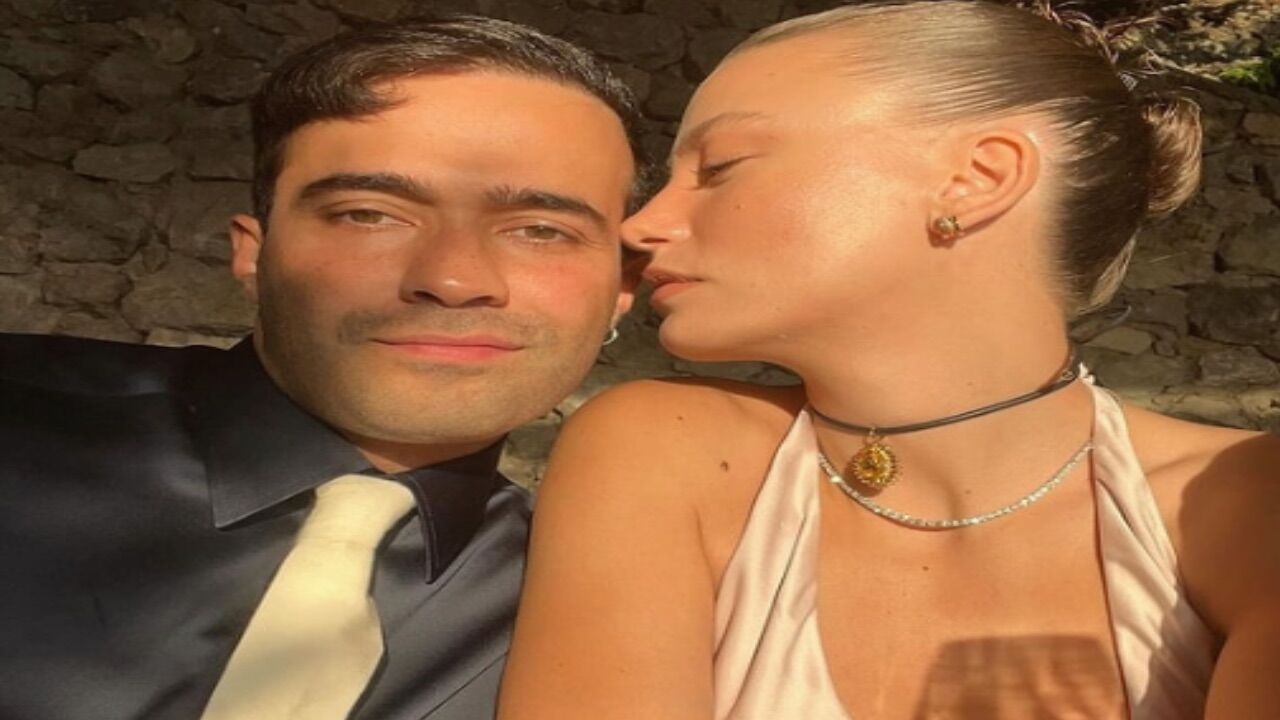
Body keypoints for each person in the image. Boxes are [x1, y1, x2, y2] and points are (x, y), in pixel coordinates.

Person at [498, 2, 1280, 719]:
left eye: (721, 166)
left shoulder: (1242, 504)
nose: (641, 227)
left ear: (977, 179)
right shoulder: (661, 454)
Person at [0, 16, 643, 720]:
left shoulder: (618, 617)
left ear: (622, 289)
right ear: (254, 251)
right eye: (369, 214)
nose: (454, 280)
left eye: (542, 231)